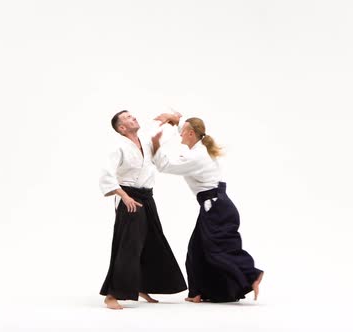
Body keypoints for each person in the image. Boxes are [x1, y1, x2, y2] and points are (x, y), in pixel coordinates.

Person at [151, 113, 264, 303]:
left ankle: (251, 274)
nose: (180, 135)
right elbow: (188, 133)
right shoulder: (200, 146)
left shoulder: (198, 157)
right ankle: (199, 293)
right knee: (197, 250)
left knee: (217, 251)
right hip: (215, 206)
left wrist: (155, 144)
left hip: (216, 209)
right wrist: (176, 122)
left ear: (191, 134)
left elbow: (165, 166)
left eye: (183, 132)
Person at [99, 110, 187, 310]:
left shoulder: (145, 142)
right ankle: (112, 294)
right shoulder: (118, 146)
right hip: (129, 196)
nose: (133, 118)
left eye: (132, 115)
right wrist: (124, 196)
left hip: (147, 197)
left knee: (152, 240)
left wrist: (168, 125)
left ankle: (140, 285)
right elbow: (106, 174)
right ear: (121, 128)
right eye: (128, 118)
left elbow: (159, 152)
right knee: (128, 244)